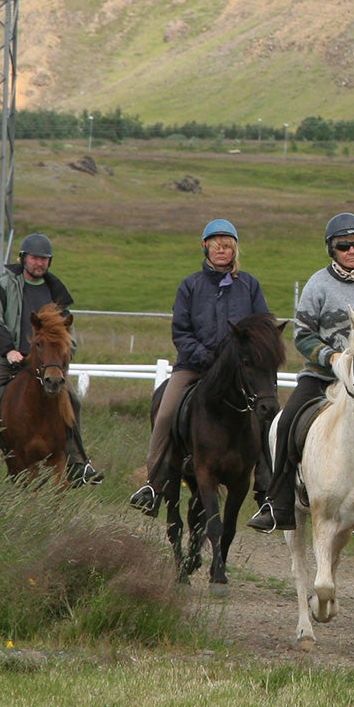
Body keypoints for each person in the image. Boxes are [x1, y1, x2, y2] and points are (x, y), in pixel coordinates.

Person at [250, 212, 354, 533]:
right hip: (323, 375)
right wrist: (330, 357)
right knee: (287, 423)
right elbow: (302, 334)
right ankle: (278, 504)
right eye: (344, 246)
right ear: (332, 249)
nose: (352, 251)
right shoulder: (317, 284)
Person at [129, 219, 272, 515]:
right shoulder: (190, 286)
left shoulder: (249, 285)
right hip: (194, 366)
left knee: (267, 410)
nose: (222, 249)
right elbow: (181, 332)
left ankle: (268, 489)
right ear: (205, 247)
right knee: (165, 413)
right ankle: (153, 483)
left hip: (238, 372)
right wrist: (206, 356)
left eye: (227, 245)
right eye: (216, 244)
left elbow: (263, 326)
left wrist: (245, 356)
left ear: (235, 249)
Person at [0, 233, 102, 485]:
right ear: (23, 259)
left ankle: (78, 463)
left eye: (44, 259)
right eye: (34, 258)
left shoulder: (56, 294)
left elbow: (69, 335)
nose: (39, 263)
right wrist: (9, 350)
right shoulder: (4, 287)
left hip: (45, 364)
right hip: (9, 361)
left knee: (74, 401)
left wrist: (63, 355)